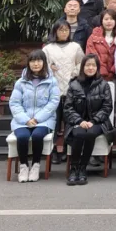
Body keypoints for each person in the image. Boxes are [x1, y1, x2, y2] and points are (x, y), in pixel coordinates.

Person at [9, 49, 60, 183]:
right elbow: (14, 103)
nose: (36, 64)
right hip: (23, 120)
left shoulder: (52, 81)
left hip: (44, 120)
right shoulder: (21, 82)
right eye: (32, 61)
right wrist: (25, 120)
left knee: (38, 135)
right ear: (28, 63)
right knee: (22, 136)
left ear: (44, 62)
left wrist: (37, 119)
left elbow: (53, 102)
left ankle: (36, 165)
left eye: (39, 60)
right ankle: (24, 166)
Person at [64, 55, 113, 185]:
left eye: (93, 65)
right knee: (79, 133)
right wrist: (80, 121)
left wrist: (94, 121)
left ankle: (83, 168)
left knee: (90, 133)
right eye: (88, 65)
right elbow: (68, 108)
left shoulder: (103, 85)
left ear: (97, 67)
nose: (90, 68)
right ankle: (74, 169)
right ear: (82, 67)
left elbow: (107, 107)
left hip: (98, 122)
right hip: (77, 122)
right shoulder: (74, 84)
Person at [43, 20, 84, 163]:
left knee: (69, 120)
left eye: (66, 30)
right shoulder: (48, 49)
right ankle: (53, 150)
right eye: (60, 30)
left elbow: (81, 63)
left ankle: (67, 148)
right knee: (54, 121)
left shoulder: (75, 47)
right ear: (55, 32)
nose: (64, 32)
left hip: (71, 88)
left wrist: (74, 73)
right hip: (53, 89)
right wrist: (49, 68)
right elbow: (42, 65)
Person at [85, 10, 116, 81]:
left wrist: (113, 71)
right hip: (98, 76)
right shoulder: (93, 37)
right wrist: (103, 71)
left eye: (111, 19)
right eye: (106, 19)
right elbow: (91, 55)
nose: (109, 21)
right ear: (101, 21)